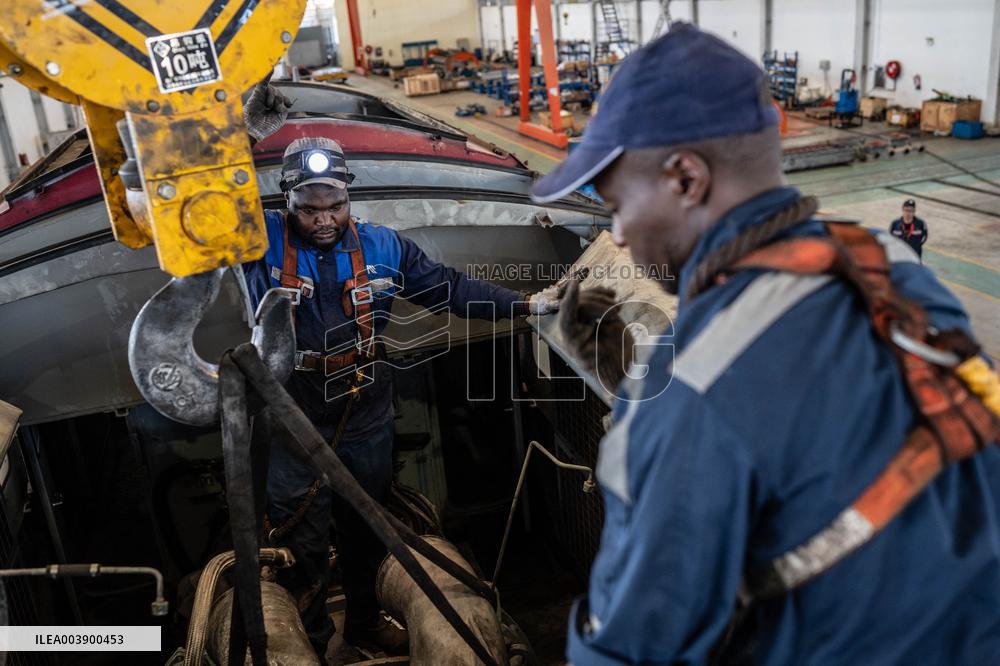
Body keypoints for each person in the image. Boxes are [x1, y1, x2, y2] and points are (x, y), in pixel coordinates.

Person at [531, 23, 1000, 666]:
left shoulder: (689, 387)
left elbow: (631, 649)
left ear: (685, 178)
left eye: (616, 204)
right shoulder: (891, 265)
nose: (616, 234)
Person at [242, 136, 561, 657]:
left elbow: (451, 290)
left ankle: (366, 622)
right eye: (308, 210)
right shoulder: (258, 240)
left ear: (349, 199)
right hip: (289, 413)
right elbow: (201, 226)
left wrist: (525, 304)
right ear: (286, 202)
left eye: (335, 207)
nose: (324, 220)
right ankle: (315, 644)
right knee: (300, 539)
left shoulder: (385, 248)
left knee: (367, 525)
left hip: (363, 410)